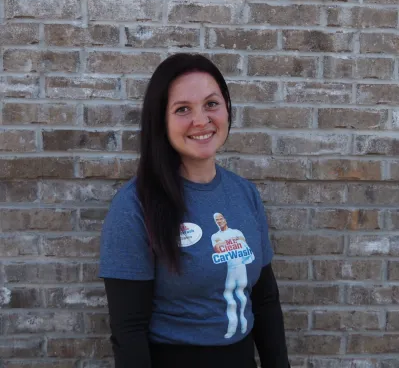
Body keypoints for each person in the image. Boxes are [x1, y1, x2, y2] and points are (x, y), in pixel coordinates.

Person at [99, 53, 290, 368]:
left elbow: (265, 300)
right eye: (183, 109)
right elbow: (128, 330)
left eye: (211, 104)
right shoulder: (134, 206)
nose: (201, 120)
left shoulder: (244, 193)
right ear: (161, 120)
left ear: (227, 108)